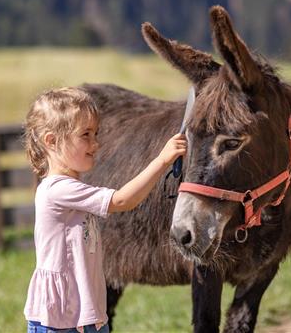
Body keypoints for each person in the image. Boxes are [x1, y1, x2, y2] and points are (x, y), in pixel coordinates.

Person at [23, 87, 187, 333]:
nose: (96, 143)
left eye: (96, 133)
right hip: (59, 320)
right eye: (85, 135)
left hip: (83, 312)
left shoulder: (72, 188)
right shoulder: (57, 190)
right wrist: (161, 160)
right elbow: (121, 201)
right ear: (52, 141)